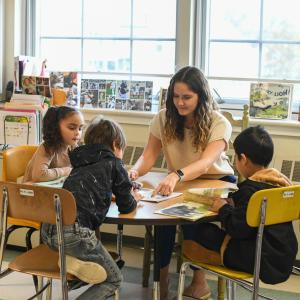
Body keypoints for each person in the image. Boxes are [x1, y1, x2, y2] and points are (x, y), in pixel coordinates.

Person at [128, 66, 235, 299]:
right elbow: (148, 156)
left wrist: (175, 175)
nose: (180, 103)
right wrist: (133, 172)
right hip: (180, 181)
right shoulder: (163, 118)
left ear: (201, 96)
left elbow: (206, 163)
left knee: (190, 218)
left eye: (187, 97)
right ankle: (162, 280)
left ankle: (199, 282)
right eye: (175, 96)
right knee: (162, 220)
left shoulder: (219, 122)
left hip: (215, 181)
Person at [183, 126, 298, 296]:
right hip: (282, 257)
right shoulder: (281, 185)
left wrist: (223, 208)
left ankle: (199, 279)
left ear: (243, 159)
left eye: (235, 157)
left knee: (199, 232)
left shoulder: (250, 191)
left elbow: (238, 229)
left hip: (257, 259)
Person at [41, 116, 141, 299]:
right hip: (75, 234)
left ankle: (75, 260)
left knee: (97, 267)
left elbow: (89, 188)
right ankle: (77, 259)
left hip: (49, 232)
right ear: (116, 144)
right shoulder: (114, 163)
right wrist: (134, 196)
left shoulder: (79, 162)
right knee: (114, 279)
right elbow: (126, 206)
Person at [23, 106, 84, 183]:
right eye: (72, 128)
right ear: (56, 128)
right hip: (32, 191)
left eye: (80, 128)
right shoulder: (48, 147)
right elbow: (39, 175)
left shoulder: (73, 146)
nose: (78, 133)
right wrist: (64, 171)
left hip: (54, 190)